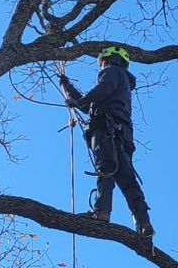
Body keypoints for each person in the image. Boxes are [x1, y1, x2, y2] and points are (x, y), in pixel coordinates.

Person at [60, 45, 153, 240]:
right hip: (122, 134)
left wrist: (81, 100)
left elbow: (101, 90)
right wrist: (68, 88)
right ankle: (143, 222)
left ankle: (101, 212)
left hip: (107, 129)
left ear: (108, 59)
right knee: (128, 181)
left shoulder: (112, 71)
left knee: (106, 169)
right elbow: (89, 105)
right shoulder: (123, 84)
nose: (101, 67)